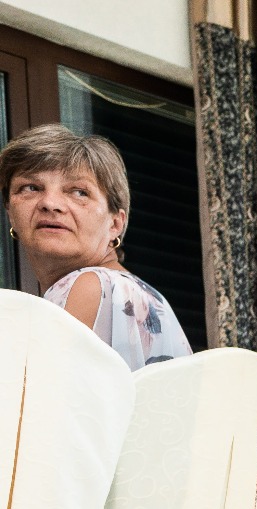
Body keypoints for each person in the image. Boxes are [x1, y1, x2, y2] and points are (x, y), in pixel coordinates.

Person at [1, 124, 191, 369]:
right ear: (10, 213)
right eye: (31, 188)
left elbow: (45, 405)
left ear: (115, 223)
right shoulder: (142, 294)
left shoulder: (89, 285)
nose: (50, 203)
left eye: (79, 192)